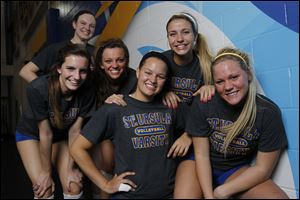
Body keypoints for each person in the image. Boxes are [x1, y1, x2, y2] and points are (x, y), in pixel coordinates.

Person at [70, 51, 191, 199]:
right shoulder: (115, 108)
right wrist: (105, 184)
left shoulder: (171, 106)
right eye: (148, 72)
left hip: (167, 195)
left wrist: (188, 135)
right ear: (138, 72)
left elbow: (202, 122)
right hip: (128, 195)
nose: (153, 80)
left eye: (160, 77)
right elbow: (77, 148)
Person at [188, 47, 289, 199]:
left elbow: (263, 169)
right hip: (197, 162)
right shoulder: (204, 102)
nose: (228, 86)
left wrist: (222, 191)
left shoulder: (267, 113)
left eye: (234, 77)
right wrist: (209, 197)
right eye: (220, 81)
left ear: (248, 74)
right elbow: (201, 155)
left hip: (234, 169)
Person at [15, 43, 96, 199]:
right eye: (70, 69)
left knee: (73, 186)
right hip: (31, 135)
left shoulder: (88, 90)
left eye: (83, 71)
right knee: (44, 189)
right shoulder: (38, 88)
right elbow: (45, 133)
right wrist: (46, 173)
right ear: (59, 68)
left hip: (60, 136)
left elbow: (75, 131)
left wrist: (71, 167)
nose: (77, 77)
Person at [163, 12, 215, 198]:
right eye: (173, 34)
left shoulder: (207, 65)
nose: (179, 39)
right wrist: (162, 90)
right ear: (168, 38)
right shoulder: (162, 62)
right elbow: (143, 90)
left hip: (196, 138)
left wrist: (213, 88)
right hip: (166, 135)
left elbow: (215, 111)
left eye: (185, 32)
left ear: (195, 36)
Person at [89, 38, 137, 199]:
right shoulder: (92, 80)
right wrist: (105, 103)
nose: (114, 65)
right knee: (107, 164)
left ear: (127, 61)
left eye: (120, 60)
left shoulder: (135, 78)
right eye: (108, 61)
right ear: (101, 64)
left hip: (127, 128)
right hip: (99, 129)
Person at [19, 10, 96, 83]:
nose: (87, 28)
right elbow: (25, 71)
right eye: (83, 23)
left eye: (92, 26)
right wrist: (46, 90)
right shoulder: (55, 49)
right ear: (74, 24)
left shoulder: (95, 52)